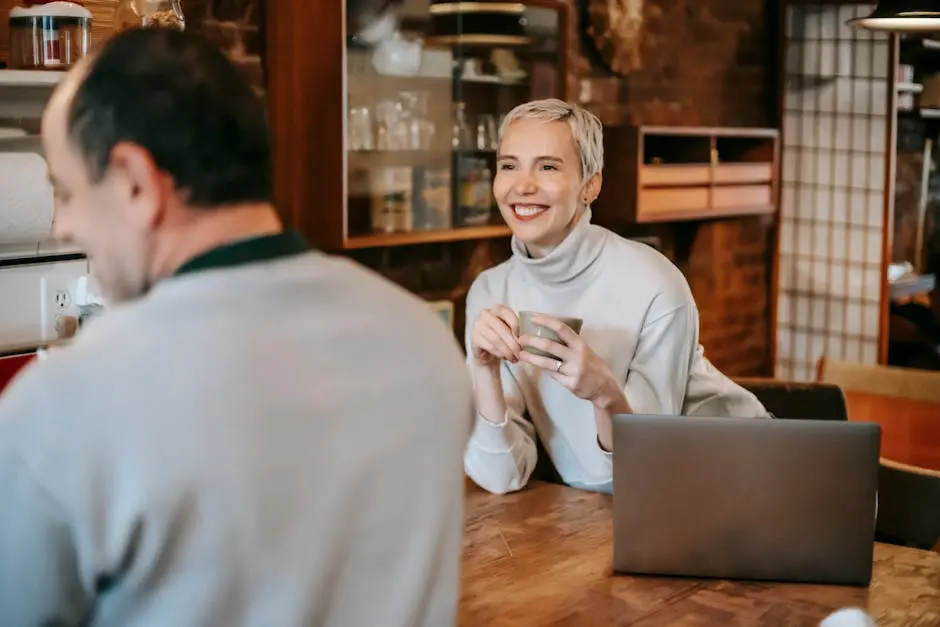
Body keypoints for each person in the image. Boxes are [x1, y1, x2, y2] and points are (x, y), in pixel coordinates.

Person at [0, 28, 472, 626]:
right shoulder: (422, 339)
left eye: (65, 192)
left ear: (135, 182)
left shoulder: (64, 406)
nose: (62, 225)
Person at [463, 99, 769, 495]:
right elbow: (502, 476)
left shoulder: (654, 282)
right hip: (616, 506)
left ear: (590, 185)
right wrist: (483, 370)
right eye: (509, 165)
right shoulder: (490, 292)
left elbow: (641, 469)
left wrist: (603, 392)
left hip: (740, 473)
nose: (522, 185)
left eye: (548, 166)